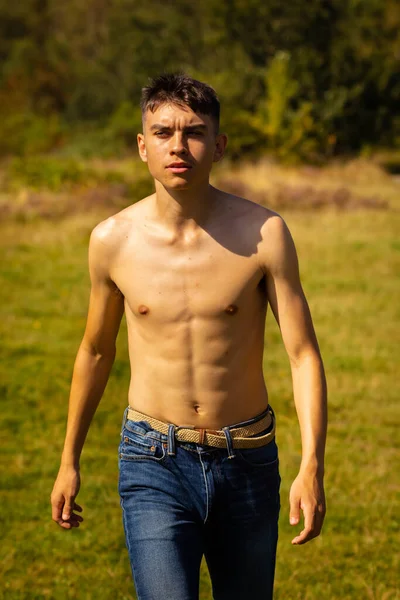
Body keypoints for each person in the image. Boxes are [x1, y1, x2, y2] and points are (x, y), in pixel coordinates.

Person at [50, 72, 327, 599]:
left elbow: (303, 354)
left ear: (218, 145)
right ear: (142, 146)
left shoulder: (263, 233)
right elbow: (96, 350)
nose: (178, 145)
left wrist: (311, 464)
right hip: (152, 459)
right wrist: (69, 461)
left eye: (195, 132)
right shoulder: (112, 240)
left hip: (246, 457)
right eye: (163, 132)